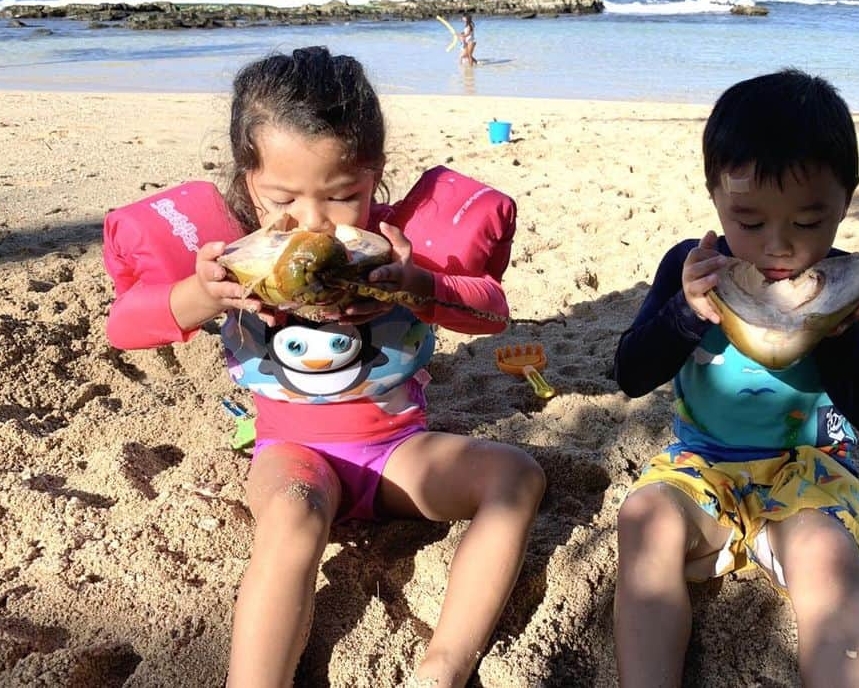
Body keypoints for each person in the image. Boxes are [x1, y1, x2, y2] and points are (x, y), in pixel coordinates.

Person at [110, 47, 545, 688]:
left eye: (344, 197)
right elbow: (124, 326)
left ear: (375, 176)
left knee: (517, 475)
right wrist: (205, 294)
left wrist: (418, 287)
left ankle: (444, 665)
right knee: (291, 517)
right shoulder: (233, 260)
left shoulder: (395, 252)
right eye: (282, 197)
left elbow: (491, 312)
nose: (313, 222)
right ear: (246, 181)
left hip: (399, 456)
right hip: (293, 454)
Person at [612, 69, 859, 687]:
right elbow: (631, 374)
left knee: (825, 559)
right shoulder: (690, 270)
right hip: (703, 465)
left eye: (806, 223)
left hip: (815, 469)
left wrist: (843, 338)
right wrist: (682, 315)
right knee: (643, 519)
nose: (778, 247)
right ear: (715, 197)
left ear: (845, 203)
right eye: (749, 221)